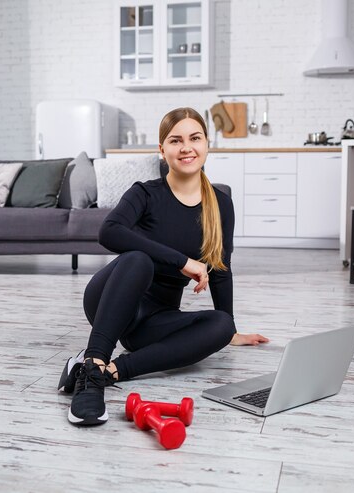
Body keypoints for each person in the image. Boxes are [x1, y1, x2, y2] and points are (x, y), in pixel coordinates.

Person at [58, 107, 269, 426]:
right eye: (176, 140)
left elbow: (220, 268)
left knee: (221, 326)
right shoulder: (145, 193)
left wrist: (232, 330)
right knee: (138, 259)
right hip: (110, 300)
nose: (186, 147)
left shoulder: (220, 202)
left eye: (195, 138)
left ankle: (111, 372)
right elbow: (109, 231)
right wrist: (182, 262)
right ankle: (94, 363)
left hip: (152, 324)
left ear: (207, 145)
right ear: (162, 149)